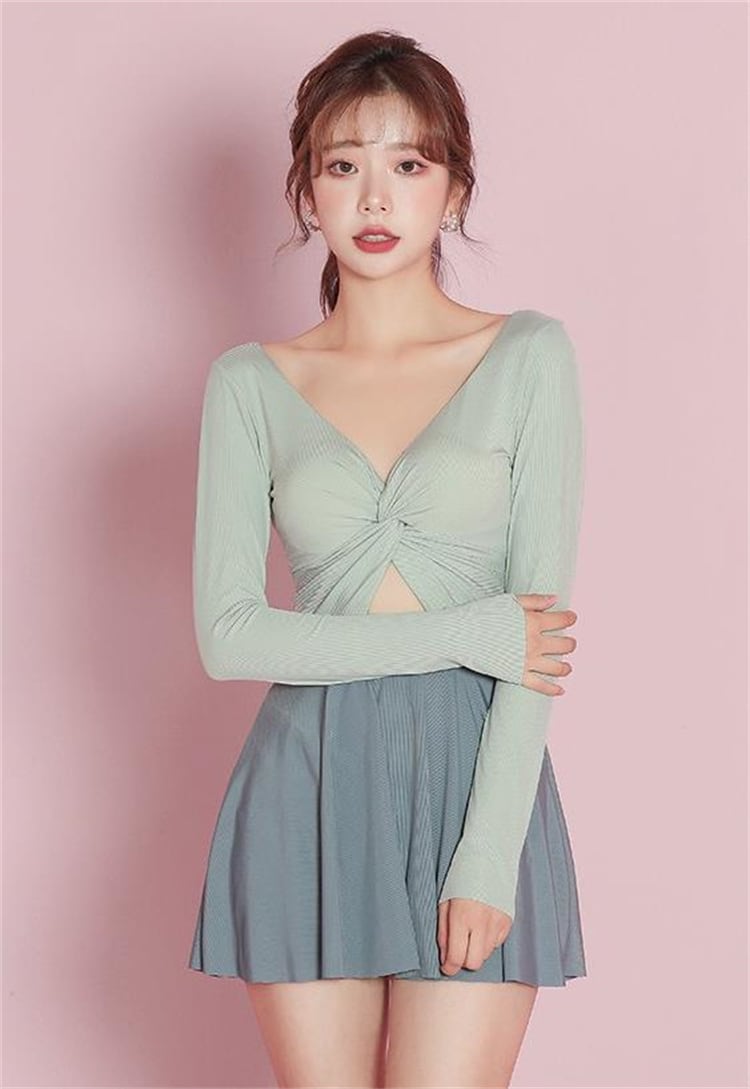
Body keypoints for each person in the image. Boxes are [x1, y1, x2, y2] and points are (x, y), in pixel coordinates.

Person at [187, 29, 587, 1089]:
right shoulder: (248, 384)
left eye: (409, 163)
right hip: (306, 787)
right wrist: (469, 631)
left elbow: (536, 645)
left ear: (454, 190)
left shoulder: (528, 356)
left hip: (477, 778)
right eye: (342, 164)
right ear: (307, 193)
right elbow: (228, 638)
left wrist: (488, 854)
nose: (375, 197)